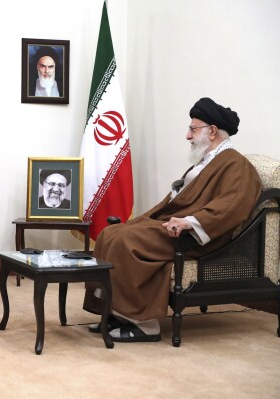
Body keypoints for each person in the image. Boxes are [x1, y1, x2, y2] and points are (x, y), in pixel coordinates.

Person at [83, 98, 262, 342]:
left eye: (193, 129)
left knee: (128, 240)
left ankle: (144, 325)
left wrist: (191, 222)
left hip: (198, 236)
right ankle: (115, 313)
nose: (188, 136)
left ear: (212, 131)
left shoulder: (237, 164)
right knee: (109, 234)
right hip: (177, 226)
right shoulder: (208, 160)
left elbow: (232, 206)